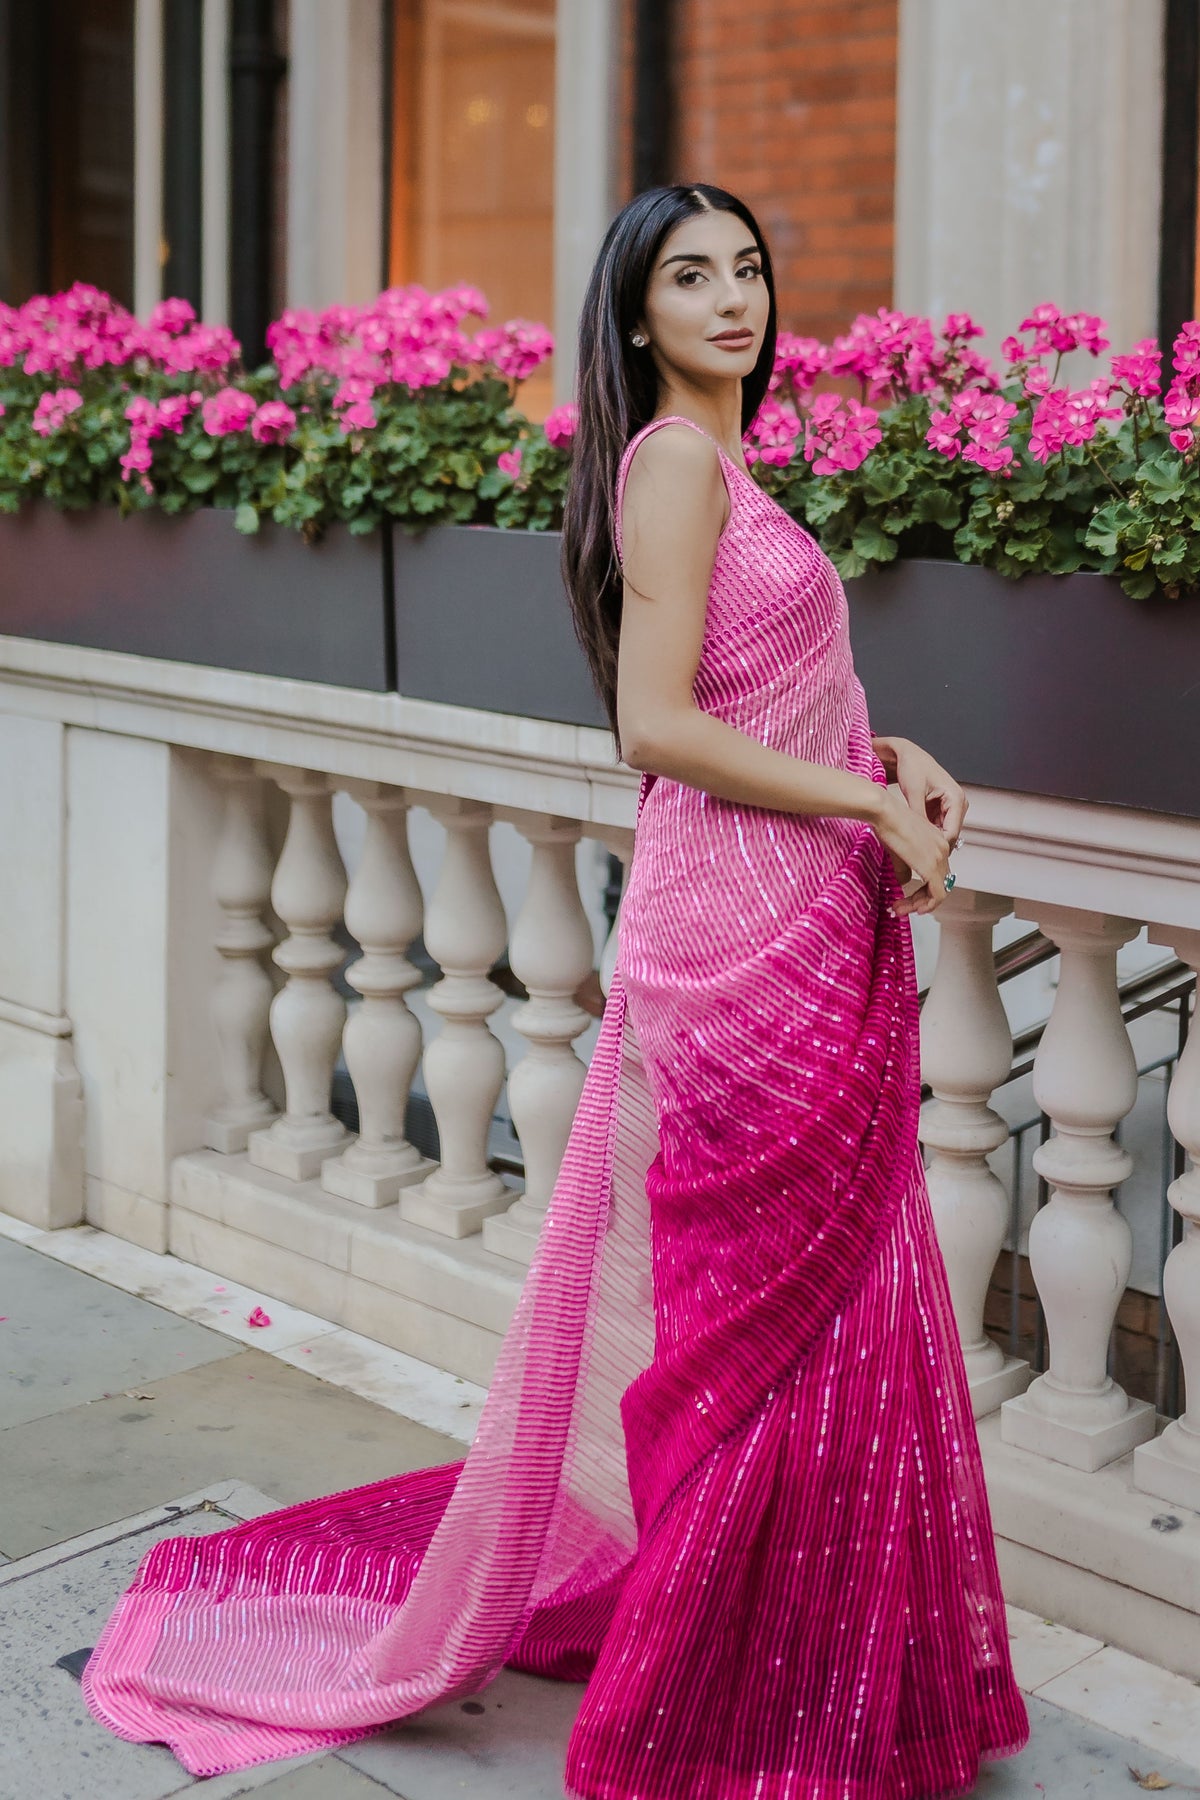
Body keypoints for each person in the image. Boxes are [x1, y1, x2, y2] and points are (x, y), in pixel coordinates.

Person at [83, 184, 1030, 1798]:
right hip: (732, 951)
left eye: (748, 267)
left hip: (793, 918)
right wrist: (866, 805)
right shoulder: (670, 463)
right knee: (769, 1334)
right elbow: (656, 728)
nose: (731, 296)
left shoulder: (733, 467)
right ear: (634, 312)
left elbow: (765, 701)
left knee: (833, 1314)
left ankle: (818, 1676)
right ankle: (728, 1702)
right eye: (690, 275)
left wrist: (889, 760)